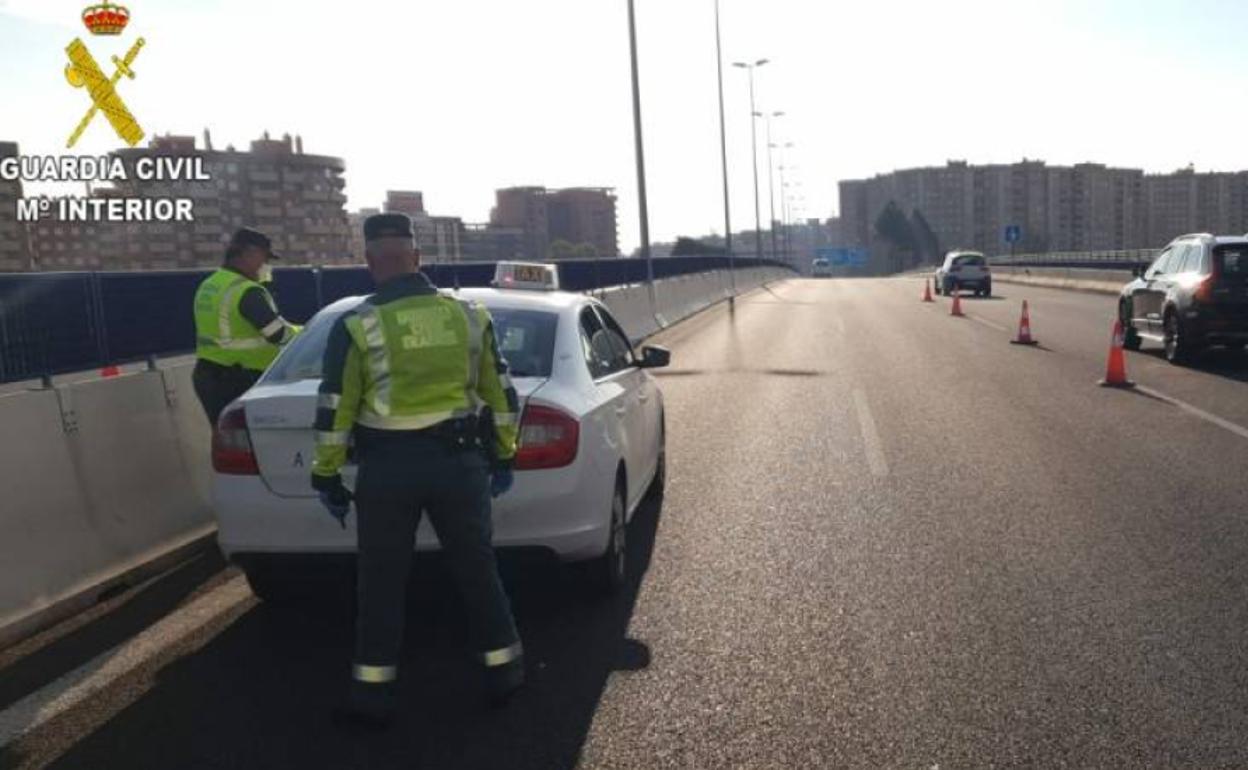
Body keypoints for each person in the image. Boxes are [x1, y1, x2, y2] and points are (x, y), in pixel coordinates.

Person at [310, 212, 524, 729]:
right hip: (459, 464)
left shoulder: (356, 325)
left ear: (368, 262)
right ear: (418, 258)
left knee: (381, 583)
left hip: (388, 470)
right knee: (477, 570)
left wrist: (327, 474)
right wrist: (503, 453)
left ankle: (373, 695)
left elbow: (336, 406)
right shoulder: (469, 316)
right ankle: (505, 674)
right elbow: (500, 391)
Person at [191, 227, 301, 426]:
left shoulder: (211, 284)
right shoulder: (247, 291)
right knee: (251, 445)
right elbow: (277, 334)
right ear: (249, 253)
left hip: (207, 375)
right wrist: (307, 334)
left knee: (226, 442)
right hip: (238, 379)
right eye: (264, 258)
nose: (265, 265)